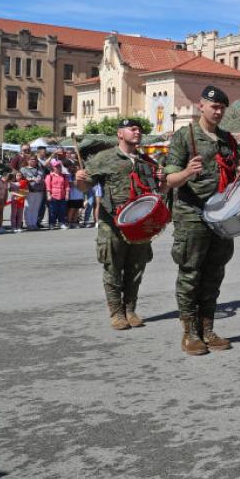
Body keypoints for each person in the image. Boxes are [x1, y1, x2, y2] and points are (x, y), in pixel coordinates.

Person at [164, 86, 240, 355]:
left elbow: (233, 175)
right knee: (191, 273)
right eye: (214, 106)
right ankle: (190, 332)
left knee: (214, 273)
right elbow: (169, 180)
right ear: (201, 106)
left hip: (222, 215)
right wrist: (187, 171)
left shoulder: (227, 140)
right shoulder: (184, 137)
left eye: (222, 107)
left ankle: (207, 328)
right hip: (192, 215)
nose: (219, 111)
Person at [75, 119, 164, 330]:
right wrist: (79, 179)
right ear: (119, 134)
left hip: (138, 224)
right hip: (112, 223)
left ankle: (130, 309)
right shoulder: (103, 158)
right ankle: (116, 312)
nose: (137, 132)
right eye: (132, 129)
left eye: (139, 129)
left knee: (136, 268)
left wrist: (161, 178)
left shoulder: (146, 161)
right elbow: (85, 186)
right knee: (112, 267)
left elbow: (156, 191)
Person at [44, 152, 70, 229]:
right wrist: (48, 195)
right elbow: (48, 187)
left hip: (62, 195)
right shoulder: (49, 176)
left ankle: (61, 223)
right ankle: (51, 223)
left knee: (62, 210)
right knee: (53, 210)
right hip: (53, 195)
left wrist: (67, 194)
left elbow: (67, 186)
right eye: (56, 166)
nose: (58, 168)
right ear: (53, 168)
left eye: (59, 166)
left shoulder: (64, 176)